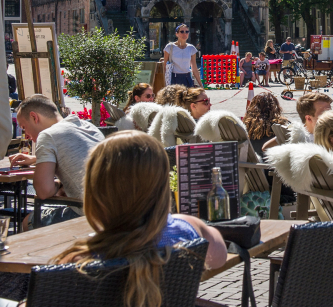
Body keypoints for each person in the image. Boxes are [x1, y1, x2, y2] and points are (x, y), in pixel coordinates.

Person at [57, 131, 227, 307]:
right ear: (161, 186)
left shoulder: (80, 260)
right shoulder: (187, 229)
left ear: (95, 192)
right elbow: (219, 257)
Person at [10, 95, 105, 229]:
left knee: (29, 221)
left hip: (92, 216)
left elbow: (44, 191)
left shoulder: (48, 135)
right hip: (120, 211)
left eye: (24, 127)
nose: (27, 135)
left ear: (34, 117)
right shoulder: (88, 126)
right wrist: (36, 159)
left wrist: (59, 185)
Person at [263, 91, 332, 149]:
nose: (331, 116)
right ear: (309, 118)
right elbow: (265, 148)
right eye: (325, 113)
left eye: (331, 112)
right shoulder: (296, 135)